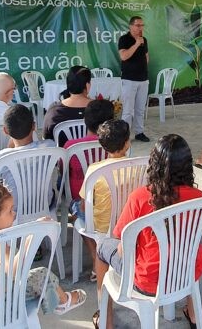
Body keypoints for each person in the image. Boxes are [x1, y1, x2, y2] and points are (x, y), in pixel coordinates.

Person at [94, 134, 202, 329]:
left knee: (102, 247)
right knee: (186, 251)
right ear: (188, 164)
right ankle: (194, 315)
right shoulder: (200, 199)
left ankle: (106, 321)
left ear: (154, 164)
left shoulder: (140, 197)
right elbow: (198, 239)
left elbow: (121, 246)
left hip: (147, 280)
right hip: (186, 273)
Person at [0, 183, 87, 320]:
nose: (14, 213)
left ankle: (57, 300)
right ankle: (61, 301)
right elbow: (14, 272)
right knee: (42, 275)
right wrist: (30, 239)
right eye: (10, 211)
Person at [73, 119, 131, 282]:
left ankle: (96, 256)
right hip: (129, 223)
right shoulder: (140, 164)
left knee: (76, 208)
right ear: (127, 143)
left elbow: (85, 207)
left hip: (103, 227)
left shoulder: (95, 169)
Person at [66, 99, 116, 205]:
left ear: (84, 120)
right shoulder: (118, 144)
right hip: (108, 195)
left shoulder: (71, 146)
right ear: (111, 122)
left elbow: (63, 170)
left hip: (78, 198)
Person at [118, 16, 151, 142]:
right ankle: (125, 136)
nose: (140, 28)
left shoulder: (144, 40)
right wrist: (136, 44)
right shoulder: (124, 39)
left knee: (140, 109)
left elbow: (146, 56)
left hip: (143, 79)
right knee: (128, 110)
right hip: (129, 80)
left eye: (142, 25)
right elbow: (124, 56)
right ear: (130, 26)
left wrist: (142, 67)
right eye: (138, 25)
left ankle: (139, 132)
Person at [43, 66, 93, 143]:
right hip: (96, 154)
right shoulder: (101, 109)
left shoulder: (54, 111)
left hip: (63, 154)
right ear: (87, 85)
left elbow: (46, 139)